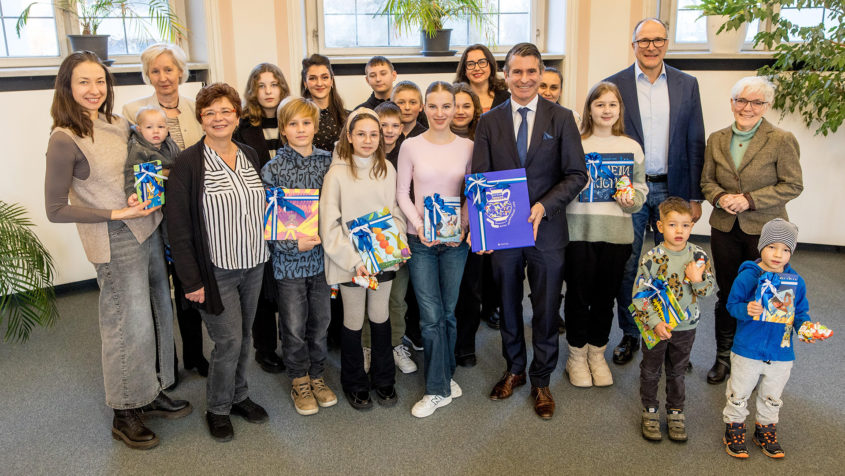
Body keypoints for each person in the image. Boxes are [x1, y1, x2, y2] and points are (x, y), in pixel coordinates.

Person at [45, 51, 190, 450]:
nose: (94, 90)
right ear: (67, 87)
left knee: (160, 313)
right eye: (83, 82)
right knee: (127, 326)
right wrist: (115, 212)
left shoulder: (116, 123)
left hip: (149, 229)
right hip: (114, 239)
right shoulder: (64, 138)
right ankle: (125, 412)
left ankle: (153, 390)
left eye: (100, 82)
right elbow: (55, 209)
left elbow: (149, 155)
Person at [473, 43, 588, 420]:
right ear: (504, 75)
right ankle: (515, 369)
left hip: (548, 229)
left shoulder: (562, 118)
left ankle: (542, 379)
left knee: (545, 306)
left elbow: (577, 175)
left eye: (531, 71)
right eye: (516, 72)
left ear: (541, 74)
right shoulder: (489, 121)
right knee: (506, 303)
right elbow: (481, 179)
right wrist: (483, 232)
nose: (524, 79)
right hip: (503, 231)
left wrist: (544, 205)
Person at [167, 83, 270, 442]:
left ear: (237, 115)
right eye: (210, 113)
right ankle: (218, 408)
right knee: (227, 342)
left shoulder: (249, 154)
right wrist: (191, 281)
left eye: (225, 111)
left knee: (245, 339)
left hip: (254, 262)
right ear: (201, 120)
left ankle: (239, 395)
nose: (218, 118)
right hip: (216, 271)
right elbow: (177, 229)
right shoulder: (188, 164)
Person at [605, 18, 706, 367]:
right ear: (633, 44)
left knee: (672, 266)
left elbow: (695, 141)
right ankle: (632, 333)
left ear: (667, 43)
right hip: (630, 187)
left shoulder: (686, 84)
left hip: (671, 186)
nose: (650, 46)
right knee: (629, 264)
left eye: (657, 39)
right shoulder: (613, 85)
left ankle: (675, 335)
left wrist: (694, 196)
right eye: (643, 40)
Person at [700, 76, 803, 384]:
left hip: (767, 232)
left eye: (756, 102)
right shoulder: (717, 138)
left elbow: (793, 185)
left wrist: (749, 200)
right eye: (741, 101)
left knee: (770, 294)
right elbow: (707, 181)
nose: (747, 108)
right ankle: (724, 358)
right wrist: (720, 198)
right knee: (729, 292)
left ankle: (762, 358)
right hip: (724, 227)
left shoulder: (782, 139)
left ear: (767, 106)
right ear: (732, 103)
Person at [122, 43, 208, 380]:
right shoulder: (133, 111)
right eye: (155, 71)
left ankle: (194, 354)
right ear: (148, 75)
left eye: (169, 69)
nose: (163, 77)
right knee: (158, 290)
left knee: (190, 283)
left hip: (190, 212)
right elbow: (128, 162)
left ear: (181, 72)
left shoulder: (195, 108)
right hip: (153, 216)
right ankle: (164, 363)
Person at [320, 108, 406, 411]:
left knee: (381, 317)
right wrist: (353, 259)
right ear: (349, 136)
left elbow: (395, 212)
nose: (368, 140)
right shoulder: (337, 174)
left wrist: (401, 242)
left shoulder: (387, 169)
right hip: (350, 262)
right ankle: (354, 383)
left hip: (382, 258)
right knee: (354, 320)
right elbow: (329, 225)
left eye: (374, 134)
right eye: (361, 134)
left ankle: (384, 380)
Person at [563, 81, 647, 388]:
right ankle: (575, 356)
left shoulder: (631, 146)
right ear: (589, 109)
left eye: (612, 104)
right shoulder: (575, 143)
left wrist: (632, 200)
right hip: (578, 233)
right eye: (600, 104)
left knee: (604, 299)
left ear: (620, 109)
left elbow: (640, 188)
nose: (606, 110)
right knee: (577, 296)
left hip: (616, 234)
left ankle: (597, 354)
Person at [397, 81, 472, 417]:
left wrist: (466, 226)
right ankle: (437, 389)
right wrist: (418, 224)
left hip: (455, 242)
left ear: (455, 108)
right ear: (424, 108)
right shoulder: (410, 146)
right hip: (421, 241)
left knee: (449, 314)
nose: (440, 113)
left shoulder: (468, 146)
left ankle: (446, 372)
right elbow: (402, 193)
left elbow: (474, 193)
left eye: (447, 106)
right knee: (430, 316)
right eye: (433, 106)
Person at [261, 98, 337, 416]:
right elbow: (269, 223)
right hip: (289, 263)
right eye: (293, 124)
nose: (301, 129)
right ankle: (299, 378)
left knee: (321, 322)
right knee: (293, 325)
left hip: (322, 261)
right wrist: (293, 246)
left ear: (316, 127)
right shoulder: (273, 169)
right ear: (283, 130)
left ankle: (317, 375)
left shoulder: (329, 162)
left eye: (306, 123)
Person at [721, 219, 811, 459]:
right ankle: (734, 428)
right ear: (761, 246)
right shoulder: (747, 277)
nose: (778, 255)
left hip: (780, 352)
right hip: (747, 349)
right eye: (772, 247)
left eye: (785, 249)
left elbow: (800, 313)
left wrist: (805, 329)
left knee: (772, 396)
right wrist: (745, 309)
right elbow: (731, 305)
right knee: (738, 392)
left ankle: (765, 429)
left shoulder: (796, 283)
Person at [631, 197, 714, 442]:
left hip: (686, 327)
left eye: (685, 225)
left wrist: (697, 278)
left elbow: (708, 291)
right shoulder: (651, 258)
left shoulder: (698, 256)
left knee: (677, 371)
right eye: (673, 225)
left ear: (692, 226)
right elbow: (639, 295)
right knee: (650, 370)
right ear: (659, 226)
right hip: (655, 326)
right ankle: (650, 410)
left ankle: (676, 412)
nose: (679, 231)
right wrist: (655, 322)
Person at [233, 62, 293, 375]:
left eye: (274, 84)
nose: (269, 91)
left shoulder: (294, 120)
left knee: (288, 282)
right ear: (253, 91)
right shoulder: (241, 126)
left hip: (293, 215)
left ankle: (292, 340)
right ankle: (265, 348)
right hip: (256, 216)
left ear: (283, 88)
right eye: (262, 86)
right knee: (261, 283)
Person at [367, 101, 418, 375]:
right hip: (369, 238)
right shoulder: (363, 157)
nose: (388, 130)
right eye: (382, 125)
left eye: (394, 125)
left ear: (402, 129)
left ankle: (396, 343)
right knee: (369, 295)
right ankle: (367, 346)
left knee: (397, 297)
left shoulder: (407, 154)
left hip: (399, 236)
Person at [122, 107, 180, 200]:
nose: (156, 131)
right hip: (152, 194)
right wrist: (131, 193)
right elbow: (131, 172)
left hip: (174, 190)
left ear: (167, 129)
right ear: (139, 129)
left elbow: (180, 160)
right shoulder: (138, 148)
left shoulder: (170, 143)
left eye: (160, 127)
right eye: (149, 127)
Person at [301, 54, 348, 153]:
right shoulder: (298, 119)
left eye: (324, 77)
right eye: (312, 78)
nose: (319, 83)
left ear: (331, 81)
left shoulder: (348, 117)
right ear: (305, 83)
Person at [454, 44, 510, 112]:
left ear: (490, 66)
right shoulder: (455, 98)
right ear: (464, 70)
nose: (477, 68)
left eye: (482, 62)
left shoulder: (506, 99)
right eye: (471, 64)